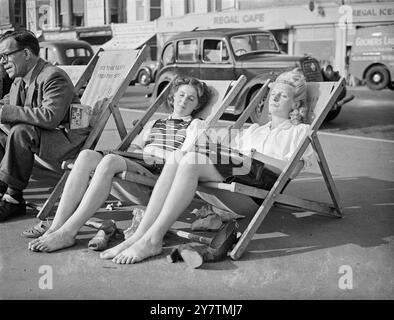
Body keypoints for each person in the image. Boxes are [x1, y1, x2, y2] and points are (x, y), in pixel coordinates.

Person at [97, 68, 315, 264]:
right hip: (238, 171)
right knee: (177, 157)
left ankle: (153, 239)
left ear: (295, 104)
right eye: (273, 93)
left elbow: (292, 169)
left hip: (262, 179)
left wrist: (254, 155)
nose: (274, 98)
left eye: (283, 95)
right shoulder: (253, 130)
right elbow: (226, 154)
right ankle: (141, 234)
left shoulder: (300, 131)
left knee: (191, 161)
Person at [27, 76, 210, 252]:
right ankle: (57, 226)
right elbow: (135, 146)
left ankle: (68, 232)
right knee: (86, 156)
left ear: (197, 105)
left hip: (160, 172)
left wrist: (151, 154)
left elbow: (183, 157)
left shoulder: (195, 125)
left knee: (110, 160)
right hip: (139, 161)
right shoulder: (156, 122)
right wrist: (142, 153)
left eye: (191, 98)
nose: (184, 101)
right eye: (181, 95)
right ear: (173, 97)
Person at [0, 30, 88, 222]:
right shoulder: (19, 80)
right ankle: (3, 188)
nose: (2, 61)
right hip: (43, 136)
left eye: (6, 55)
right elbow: (6, 105)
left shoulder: (53, 76)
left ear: (26, 54)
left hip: (66, 141)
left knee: (20, 131)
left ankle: (13, 198)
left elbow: (50, 117)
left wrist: (4, 112)